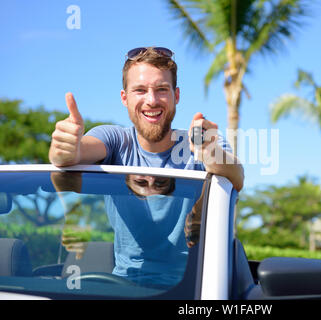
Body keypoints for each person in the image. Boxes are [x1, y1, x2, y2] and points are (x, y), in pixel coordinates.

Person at [48, 46, 244, 287]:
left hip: (196, 288)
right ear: (124, 98)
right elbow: (75, 154)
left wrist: (209, 154)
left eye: (162, 89)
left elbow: (236, 175)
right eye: (140, 90)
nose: (151, 100)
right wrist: (64, 151)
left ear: (176, 96)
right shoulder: (115, 140)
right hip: (123, 286)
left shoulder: (202, 140)